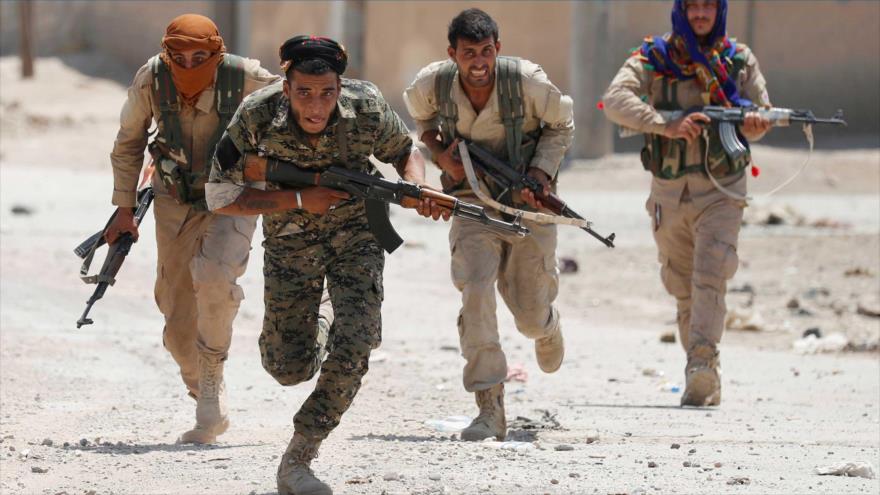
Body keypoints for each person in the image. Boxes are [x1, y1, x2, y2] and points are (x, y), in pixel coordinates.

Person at [206, 35, 443, 495]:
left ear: (340, 86)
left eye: (327, 93)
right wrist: (299, 198)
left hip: (359, 233)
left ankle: (300, 456)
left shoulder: (366, 104)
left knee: (358, 342)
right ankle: (326, 316)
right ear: (286, 87)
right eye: (304, 93)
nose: (316, 106)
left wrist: (417, 186)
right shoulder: (257, 114)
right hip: (290, 241)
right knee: (286, 368)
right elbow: (220, 195)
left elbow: (405, 150)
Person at [104, 14, 287, 444]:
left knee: (215, 276)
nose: (188, 65)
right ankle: (202, 381)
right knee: (176, 316)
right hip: (175, 198)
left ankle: (210, 383)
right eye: (179, 57)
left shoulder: (242, 76)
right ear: (166, 53)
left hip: (234, 196)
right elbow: (128, 142)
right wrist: (123, 208)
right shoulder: (152, 79)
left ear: (216, 53)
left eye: (199, 57)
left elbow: (298, 105)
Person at [403, 8, 574, 441]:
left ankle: (547, 326)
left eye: (485, 52)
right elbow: (422, 122)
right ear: (452, 54)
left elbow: (561, 125)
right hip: (470, 201)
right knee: (476, 290)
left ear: (497, 48)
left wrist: (540, 174)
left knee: (529, 315)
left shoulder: (527, 82)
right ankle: (489, 406)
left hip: (526, 205)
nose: (478, 62)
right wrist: (440, 154)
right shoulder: (432, 85)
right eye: (468, 53)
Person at [602, 0, 772, 406]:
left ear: (720, 10)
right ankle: (702, 371)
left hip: (722, 189)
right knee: (682, 286)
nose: (700, 14)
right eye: (692, 6)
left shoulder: (738, 59)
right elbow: (615, 100)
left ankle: (701, 364)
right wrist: (666, 124)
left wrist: (755, 123)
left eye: (708, 6)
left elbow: (762, 113)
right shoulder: (654, 57)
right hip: (670, 190)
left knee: (711, 270)